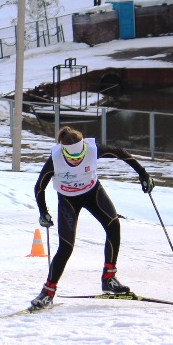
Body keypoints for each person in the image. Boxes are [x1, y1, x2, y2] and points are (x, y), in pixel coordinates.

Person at [30, 126, 154, 310]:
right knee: (66, 247)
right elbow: (39, 187)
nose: (77, 160)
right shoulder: (55, 159)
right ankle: (47, 293)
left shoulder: (92, 150)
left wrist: (143, 173)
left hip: (92, 192)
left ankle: (109, 278)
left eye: (80, 156)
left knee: (113, 226)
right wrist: (43, 212)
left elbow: (121, 153)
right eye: (72, 158)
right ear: (64, 152)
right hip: (67, 199)